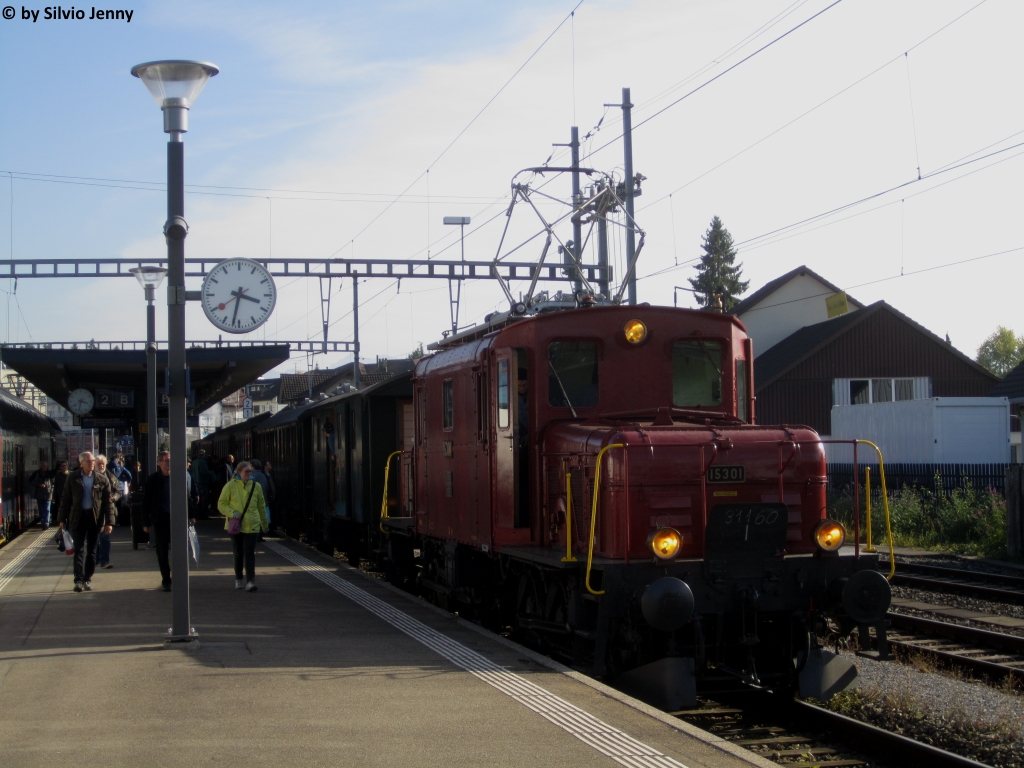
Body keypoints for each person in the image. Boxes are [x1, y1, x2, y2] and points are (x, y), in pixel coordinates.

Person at [56, 452, 116, 593]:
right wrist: (61, 519)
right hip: (78, 517)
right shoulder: (73, 478)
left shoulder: (101, 479)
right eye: (88, 461)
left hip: (95, 518)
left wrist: (109, 522)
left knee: (92, 551)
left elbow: (108, 503)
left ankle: (87, 578)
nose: (91, 463)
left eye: (92, 461)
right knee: (79, 550)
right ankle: (78, 580)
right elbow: (65, 500)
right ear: (81, 463)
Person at [142, 450, 193, 592]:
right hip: (160, 519)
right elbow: (146, 501)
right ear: (159, 463)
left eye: (170, 460)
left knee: (180, 550)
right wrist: (145, 522)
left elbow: (187, 497)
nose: (168, 463)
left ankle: (179, 578)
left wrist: (192, 515)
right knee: (162, 551)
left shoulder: (179, 477)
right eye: (165, 460)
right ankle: (166, 579)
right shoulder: (153, 479)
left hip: (177, 518)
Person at [218, 460, 267, 592]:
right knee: (238, 553)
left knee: (249, 553)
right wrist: (233, 513)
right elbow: (221, 504)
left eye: (250, 471)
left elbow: (261, 506)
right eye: (246, 471)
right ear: (239, 472)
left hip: (252, 524)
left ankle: (250, 581)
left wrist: (264, 523)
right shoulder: (230, 486)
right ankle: (238, 579)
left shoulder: (256, 486)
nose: (249, 474)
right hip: (236, 526)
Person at [94, 455, 122, 569]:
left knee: (105, 537)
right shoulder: (91, 477)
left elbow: (118, 491)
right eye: (99, 464)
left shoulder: (111, 477)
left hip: (107, 511)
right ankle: (95, 560)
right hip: (94, 512)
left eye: (103, 464)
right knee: (94, 538)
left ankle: (104, 561)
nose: (101, 466)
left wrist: (114, 497)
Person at [28, 460, 53, 530]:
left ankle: (46, 523)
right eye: (43, 466)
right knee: (41, 509)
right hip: (39, 494)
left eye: (46, 466)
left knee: (47, 509)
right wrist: (39, 485)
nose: (45, 467)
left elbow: (53, 481)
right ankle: (43, 522)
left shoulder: (49, 473)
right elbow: (30, 481)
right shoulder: (36, 473)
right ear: (40, 466)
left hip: (48, 494)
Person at [250, 459, 270, 541]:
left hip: (254, 500)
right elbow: (266, 488)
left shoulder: (251, 476)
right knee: (261, 516)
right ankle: (260, 534)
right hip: (262, 499)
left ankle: (256, 535)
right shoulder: (262, 475)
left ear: (253, 467)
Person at [263, 460, 277, 533]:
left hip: (270, 497)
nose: (270, 465)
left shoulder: (269, 474)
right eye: (268, 464)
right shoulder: (264, 475)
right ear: (265, 466)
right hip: (268, 498)